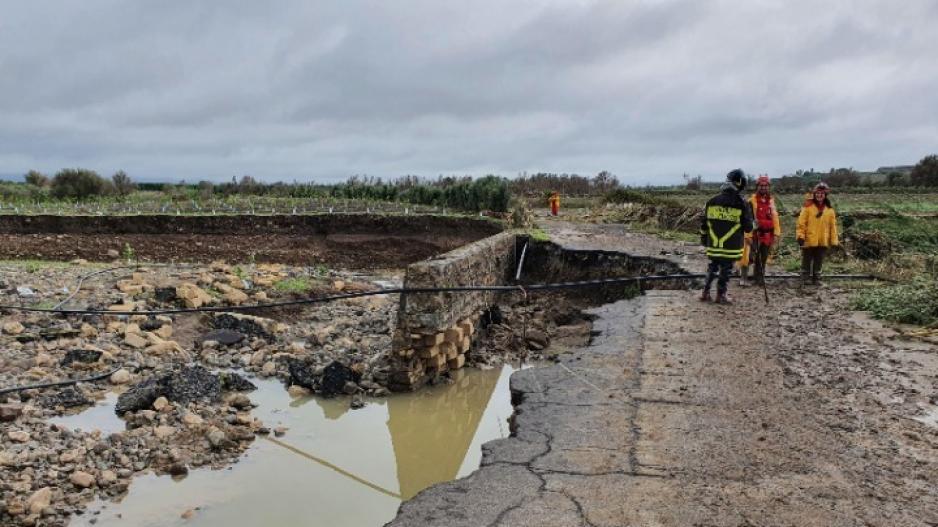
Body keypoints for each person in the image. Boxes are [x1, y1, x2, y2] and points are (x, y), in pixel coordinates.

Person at [700, 169, 753, 304]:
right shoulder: (742, 203)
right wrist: (755, 224)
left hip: (713, 244)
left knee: (712, 267)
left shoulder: (711, 201)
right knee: (726, 269)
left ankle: (705, 292)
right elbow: (748, 227)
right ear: (740, 182)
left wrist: (704, 240)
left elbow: (704, 224)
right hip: (730, 246)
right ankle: (721, 295)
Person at [738, 175, 781, 287]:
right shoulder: (751, 202)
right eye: (761, 186)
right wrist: (748, 235)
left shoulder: (771, 202)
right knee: (747, 256)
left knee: (763, 257)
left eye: (765, 186)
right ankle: (743, 278)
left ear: (768, 187)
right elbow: (747, 219)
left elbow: (775, 218)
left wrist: (776, 233)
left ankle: (759, 278)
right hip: (754, 234)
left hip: (767, 234)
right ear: (757, 187)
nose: (763, 188)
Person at [797, 182, 839, 285]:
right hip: (809, 239)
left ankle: (817, 278)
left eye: (822, 193)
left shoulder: (830, 210)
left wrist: (834, 241)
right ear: (814, 194)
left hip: (823, 240)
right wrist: (800, 236)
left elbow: (833, 227)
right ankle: (805, 278)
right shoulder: (807, 207)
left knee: (819, 260)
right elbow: (801, 223)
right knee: (806, 259)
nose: (820, 195)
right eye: (818, 193)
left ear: (825, 195)